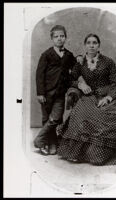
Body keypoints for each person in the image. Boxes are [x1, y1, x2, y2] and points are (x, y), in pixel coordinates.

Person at [57, 33, 116, 165]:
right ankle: (77, 154)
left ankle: (97, 155)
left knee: (103, 115)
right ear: (85, 45)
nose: (91, 45)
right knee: (80, 115)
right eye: (89, 43)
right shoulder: (80, 62)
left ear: (98, 45)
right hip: (90, 96)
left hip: (108, 96)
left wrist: (108, 98)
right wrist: (80, 84)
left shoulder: (108, 62)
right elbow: (70, 79)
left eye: (94, 43)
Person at [34, 25, 77, 155]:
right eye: (56, 36)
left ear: (65, 38)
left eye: (62, 36)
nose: (59, 39)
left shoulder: (69, 55)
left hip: (59, 93)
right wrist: (40, 93)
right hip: (46, 93)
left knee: (55, 119)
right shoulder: (46, 54)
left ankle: (39, 141)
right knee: (46, 119)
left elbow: (75, 68)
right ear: (52, 38)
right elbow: (39, 74)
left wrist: (79, 59)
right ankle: (50, 144)